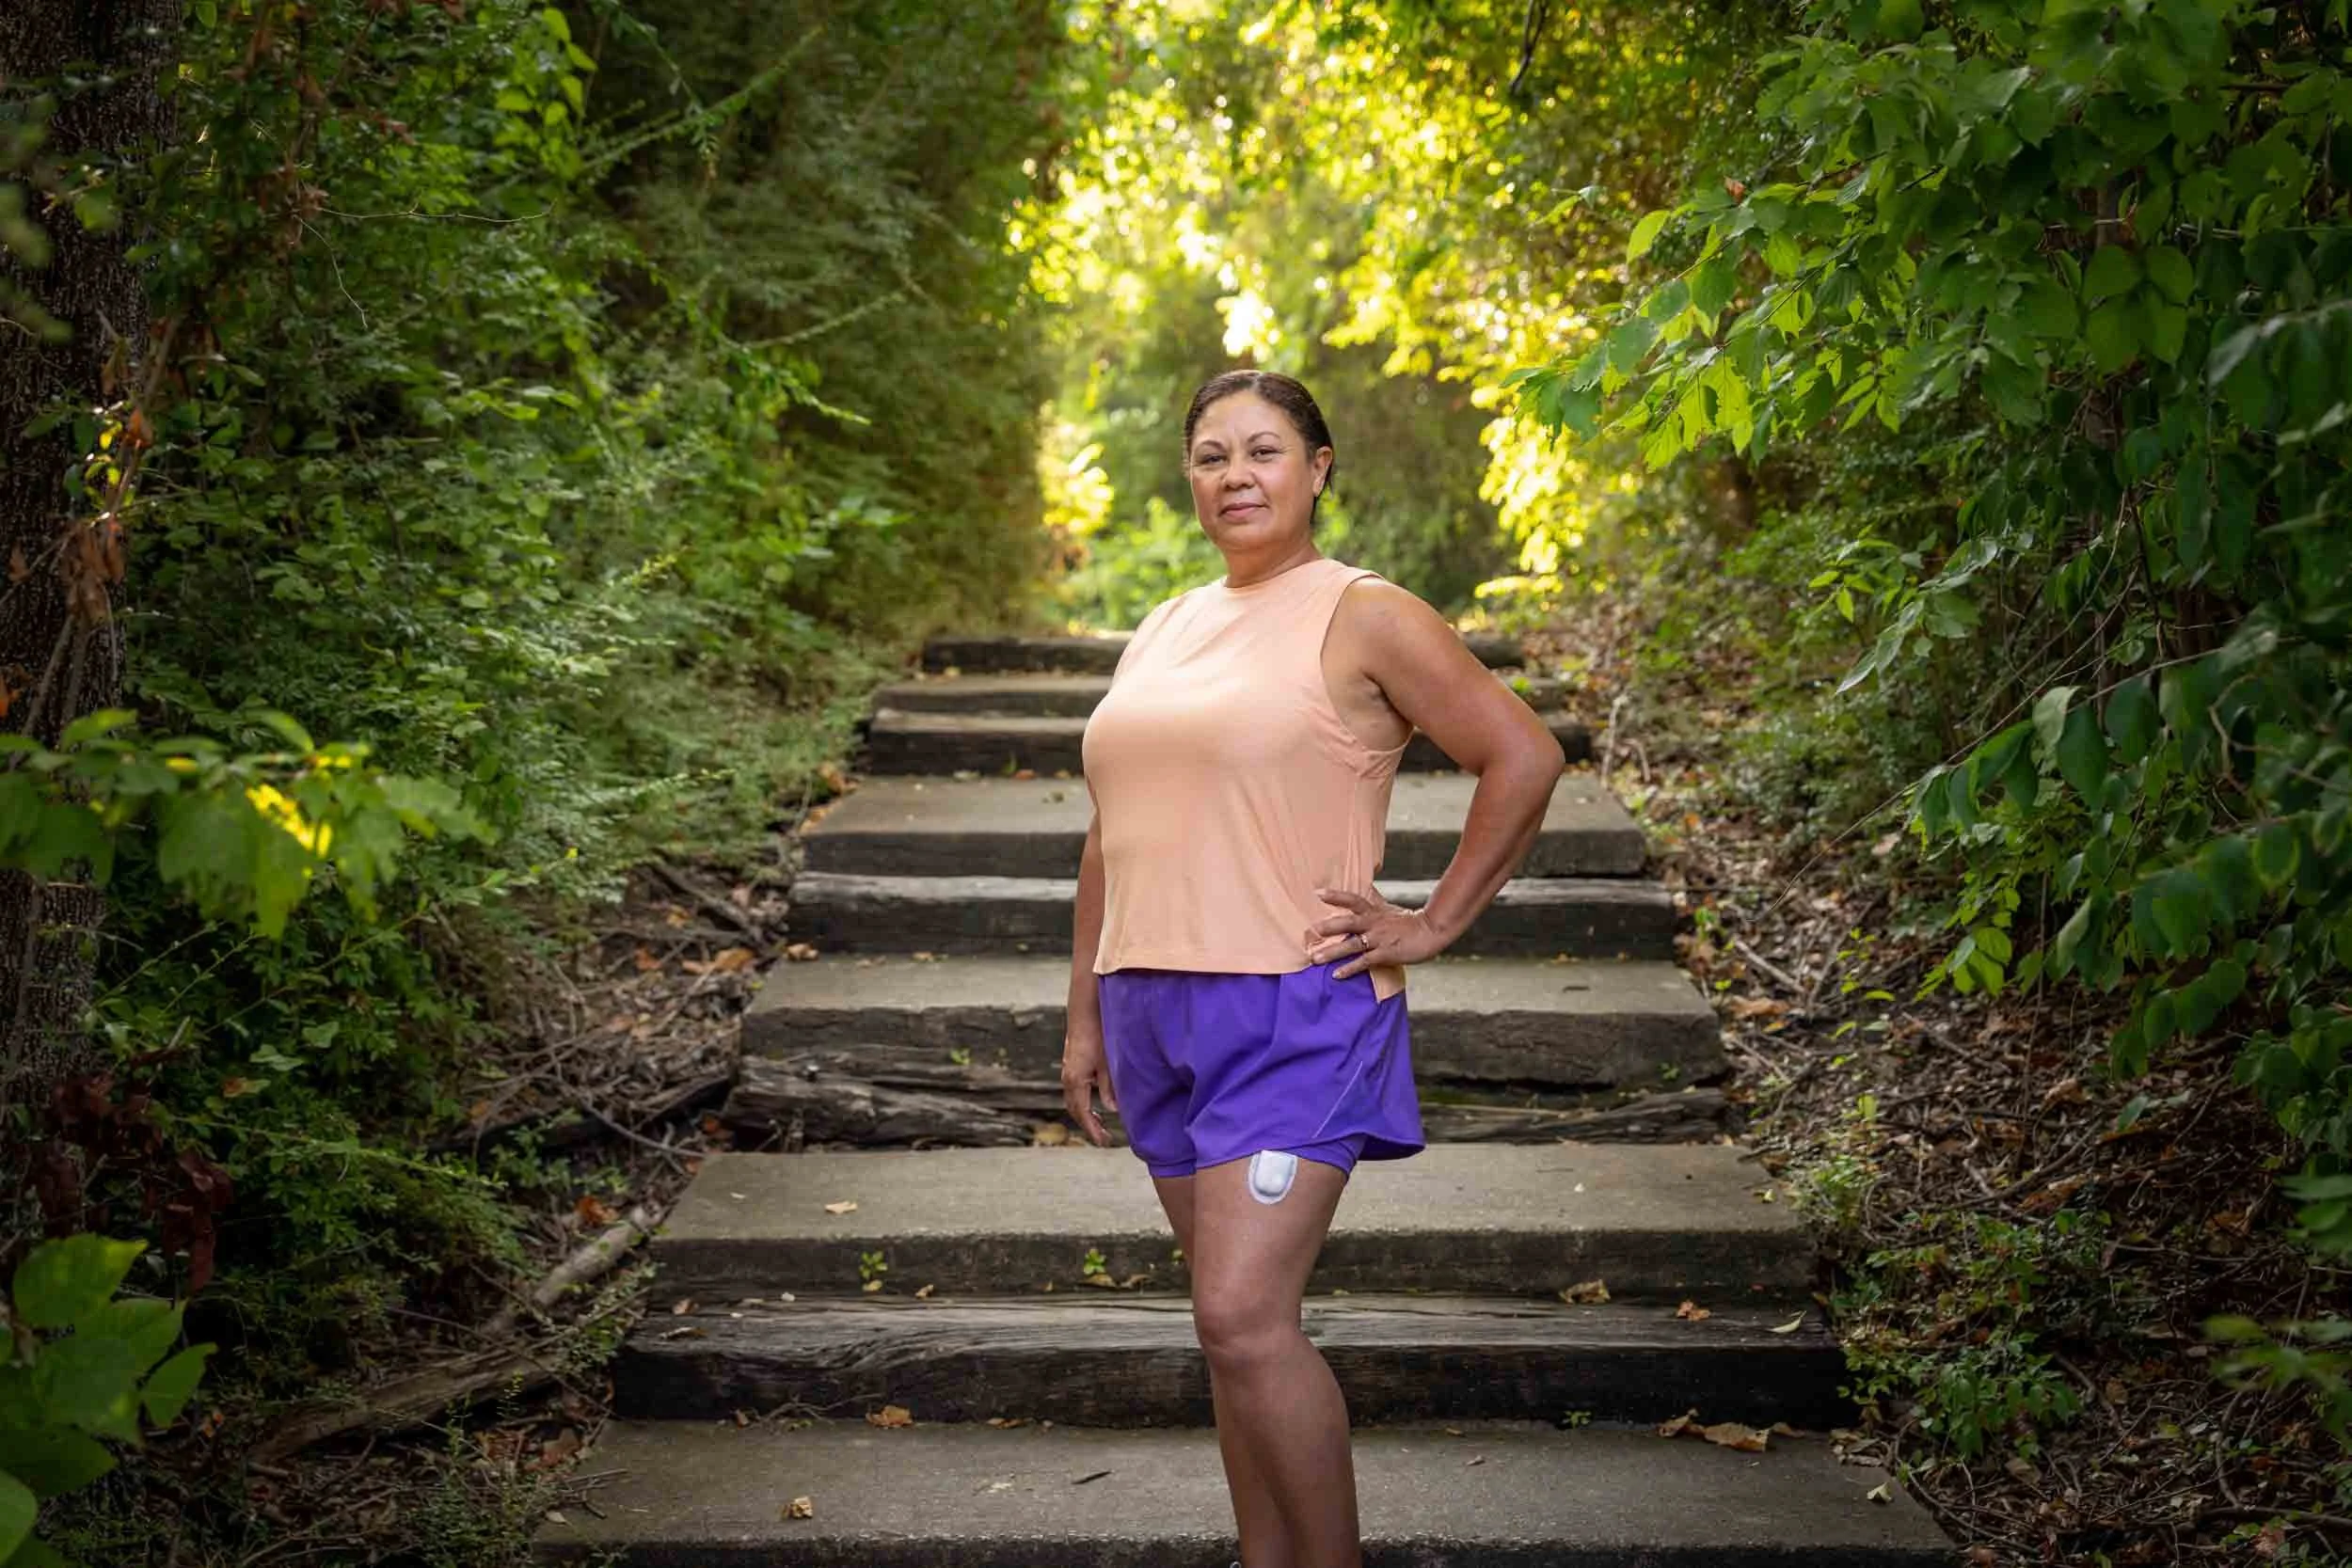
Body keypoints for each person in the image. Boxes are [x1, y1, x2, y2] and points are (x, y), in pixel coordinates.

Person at [1062, 369, 1567, 1568]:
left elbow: (1523, 754)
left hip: (1294, 1006)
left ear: (1318, 467)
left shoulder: (1365, 611)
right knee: (1230, 1329)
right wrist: (1083, 1009)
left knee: (1243, 1315)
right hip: (1151, 1004)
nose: (1234, 475)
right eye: (1209, 455)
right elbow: (1106, 830)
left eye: (1263, 451)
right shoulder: (1168, 624)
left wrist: (1432, 921)